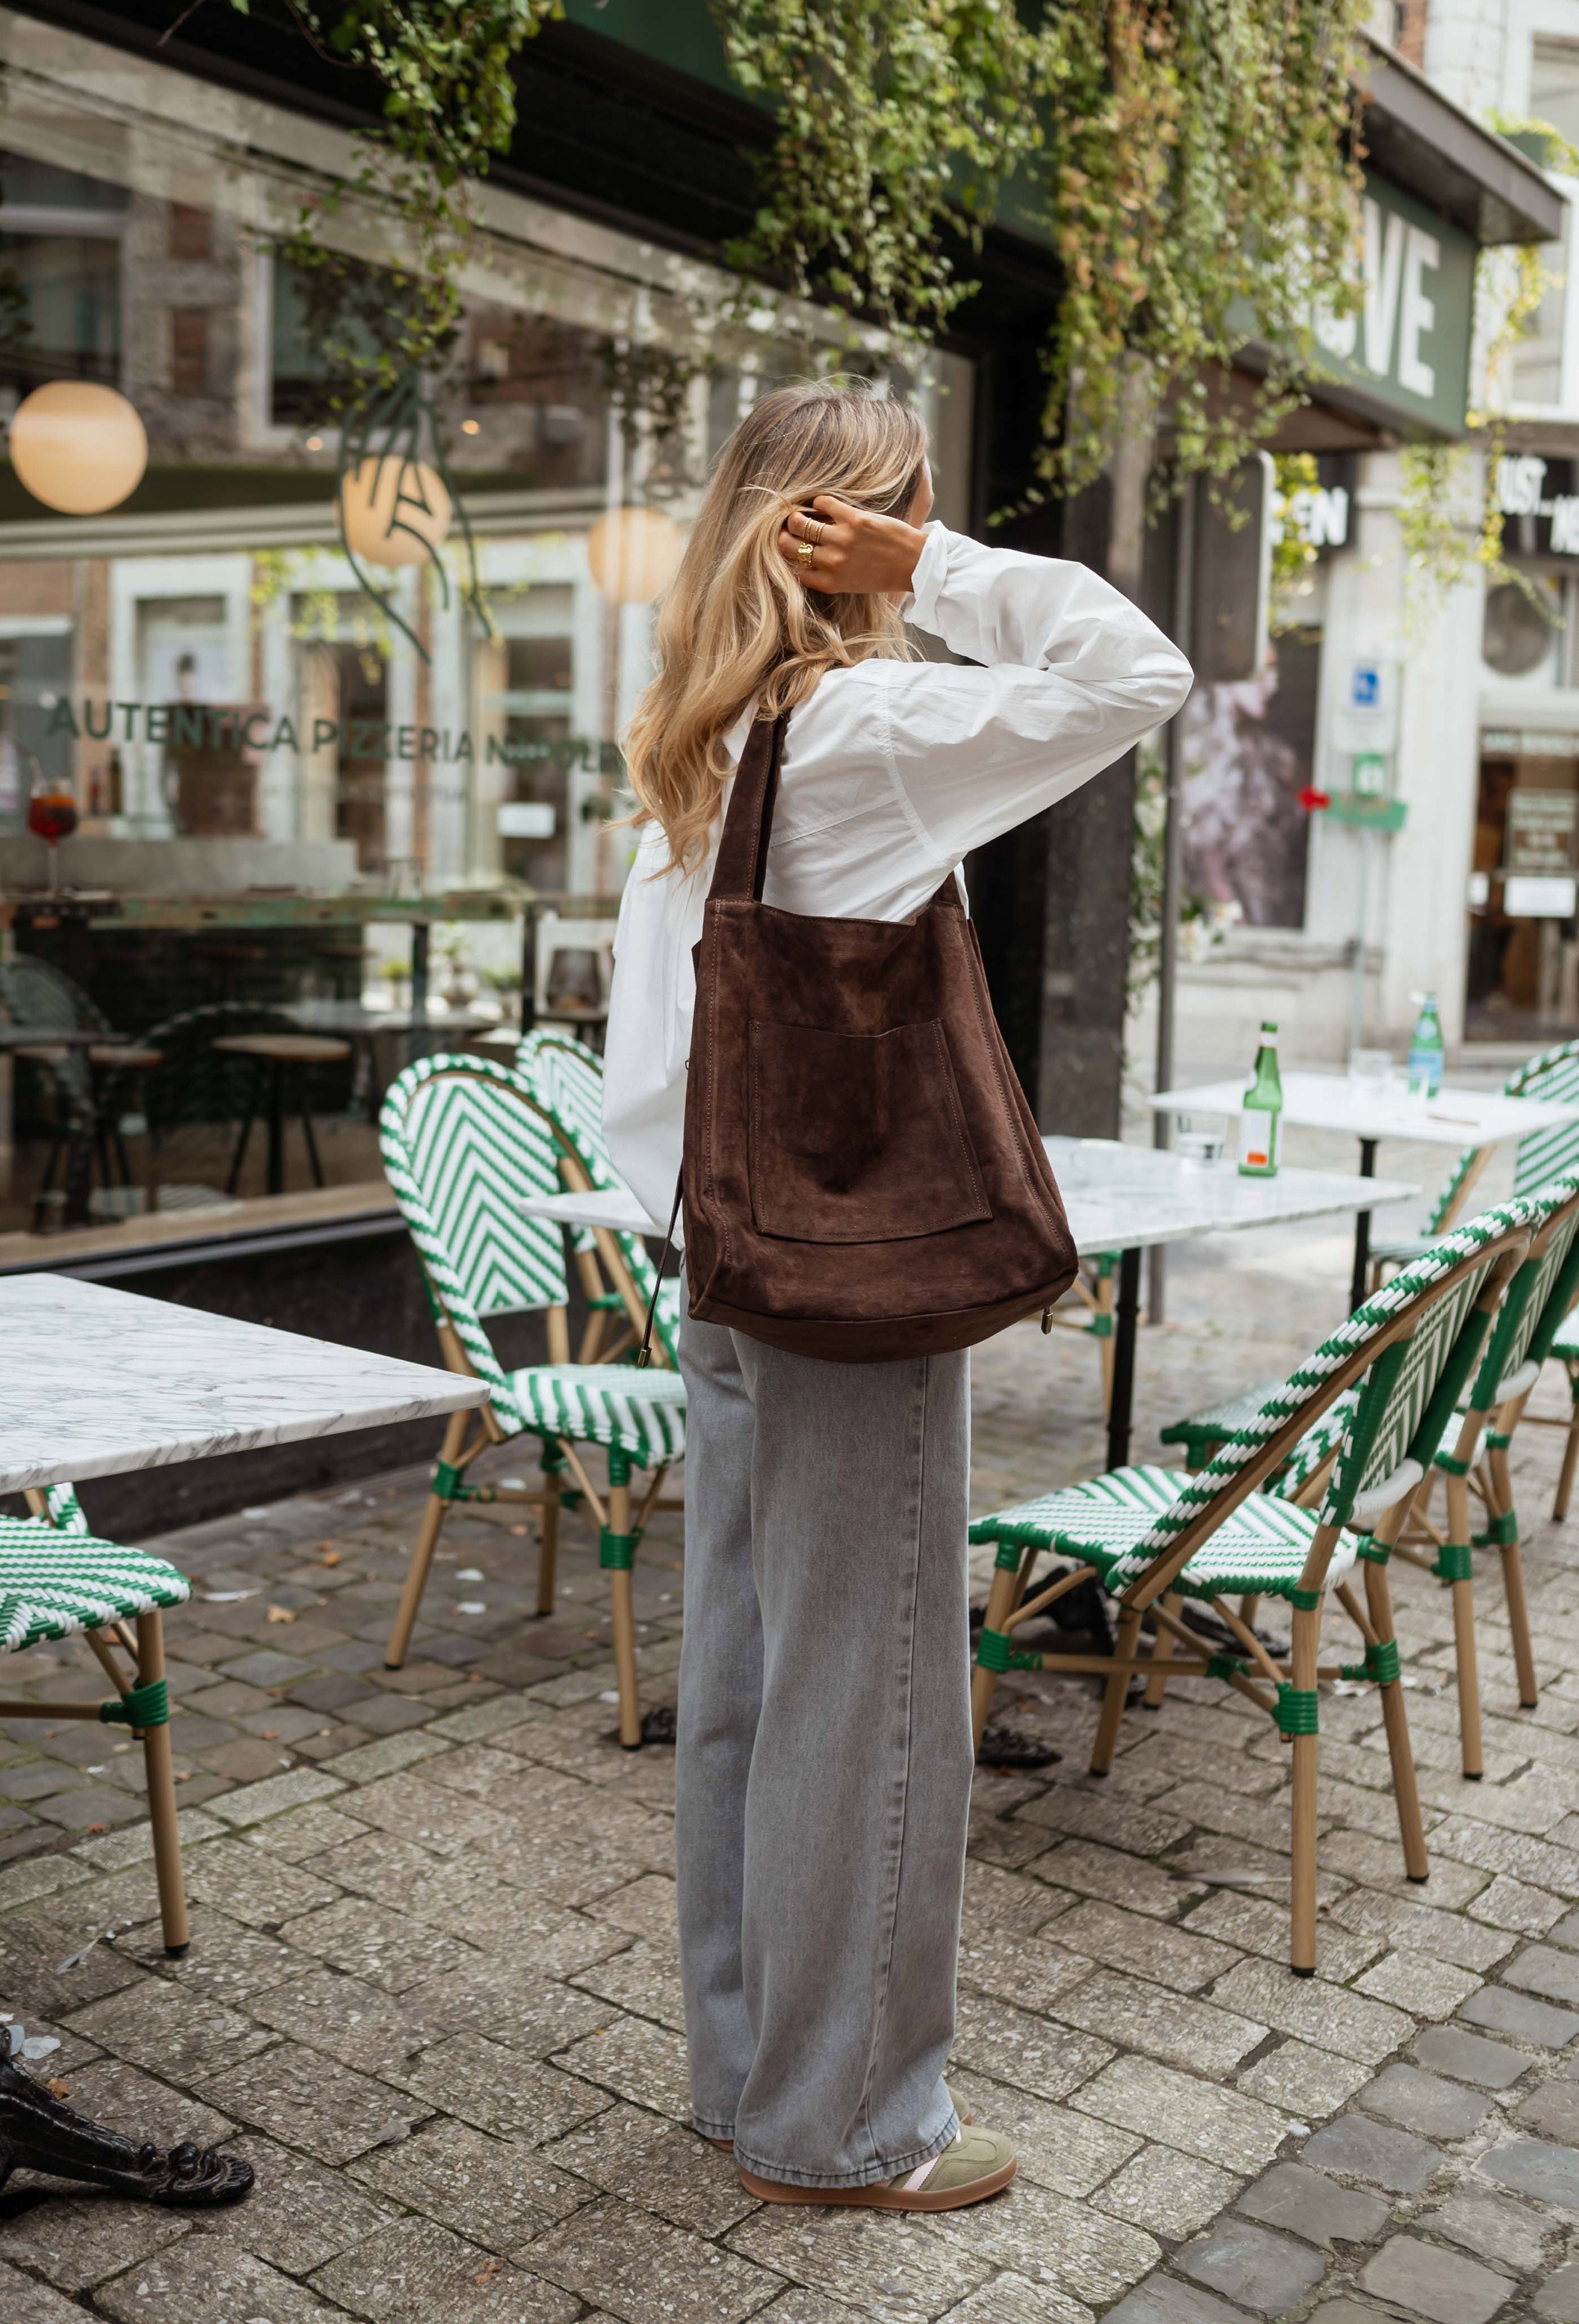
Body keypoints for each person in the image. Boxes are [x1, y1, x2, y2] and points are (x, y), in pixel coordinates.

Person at [604, 379, 1191, 2211]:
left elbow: (645, 1058)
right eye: (901, 515)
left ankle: (744, 2078)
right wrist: (942, 564)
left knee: (754, 1675)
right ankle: (844, 2123)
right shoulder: (861, 724)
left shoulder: (695, 742)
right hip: (845, 1282)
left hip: (719, 1261)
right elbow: (1134, 671)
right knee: (870, 1686)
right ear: (851, 532)